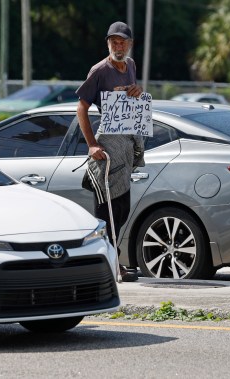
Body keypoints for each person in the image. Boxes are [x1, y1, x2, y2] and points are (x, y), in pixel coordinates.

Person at [76, 21, 145, 282]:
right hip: (106, 149)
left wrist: (137, 93)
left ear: (130, 44)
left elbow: (131, 100)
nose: (118, 46)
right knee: (107, 212)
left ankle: (112, 260)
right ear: (108, 43)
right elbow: (81, 107)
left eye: (122, 42)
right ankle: (107, 265)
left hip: (125, 145)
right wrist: (92, 144)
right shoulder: (99, 71)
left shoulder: (131, 66)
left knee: (123, 209)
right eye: (114, 41)